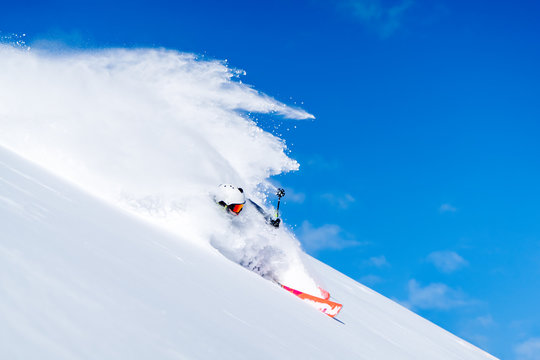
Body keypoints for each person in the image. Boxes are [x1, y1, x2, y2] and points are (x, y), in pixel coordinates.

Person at [214, 184, 281, 228]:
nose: (238, 213)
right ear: (224, 204)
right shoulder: (212, 211)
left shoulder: (235, 203)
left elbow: (254, 206)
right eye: (236, 208)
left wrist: (270, 220)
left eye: (240, 208)